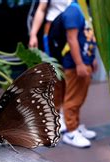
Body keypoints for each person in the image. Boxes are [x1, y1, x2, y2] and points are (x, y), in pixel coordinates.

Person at [28, 0, 72, 133]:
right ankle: (56, 114)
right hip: (54, 28)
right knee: (57, 73)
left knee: (72, 72)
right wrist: (33, 34)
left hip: (73, 28)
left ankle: (70, 116)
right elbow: (41, 9)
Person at [60, 1, 97, 148]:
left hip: (84, 62)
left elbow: (88, 37)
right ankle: (71, 131)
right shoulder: (74, 11)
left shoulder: (83, 11)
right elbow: (72, 39)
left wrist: (92, 58)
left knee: (79, 97)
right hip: (75, 64)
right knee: (73, 98)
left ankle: (75, 125)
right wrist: (79, 63)